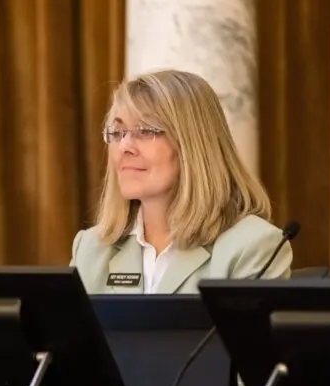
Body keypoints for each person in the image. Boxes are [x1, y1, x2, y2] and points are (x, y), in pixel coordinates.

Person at [71, 69, 292, 294]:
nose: (124, 147)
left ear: (193, 145)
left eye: (145, 131)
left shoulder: (253, 246)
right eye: (118, 132)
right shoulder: (91, 249)